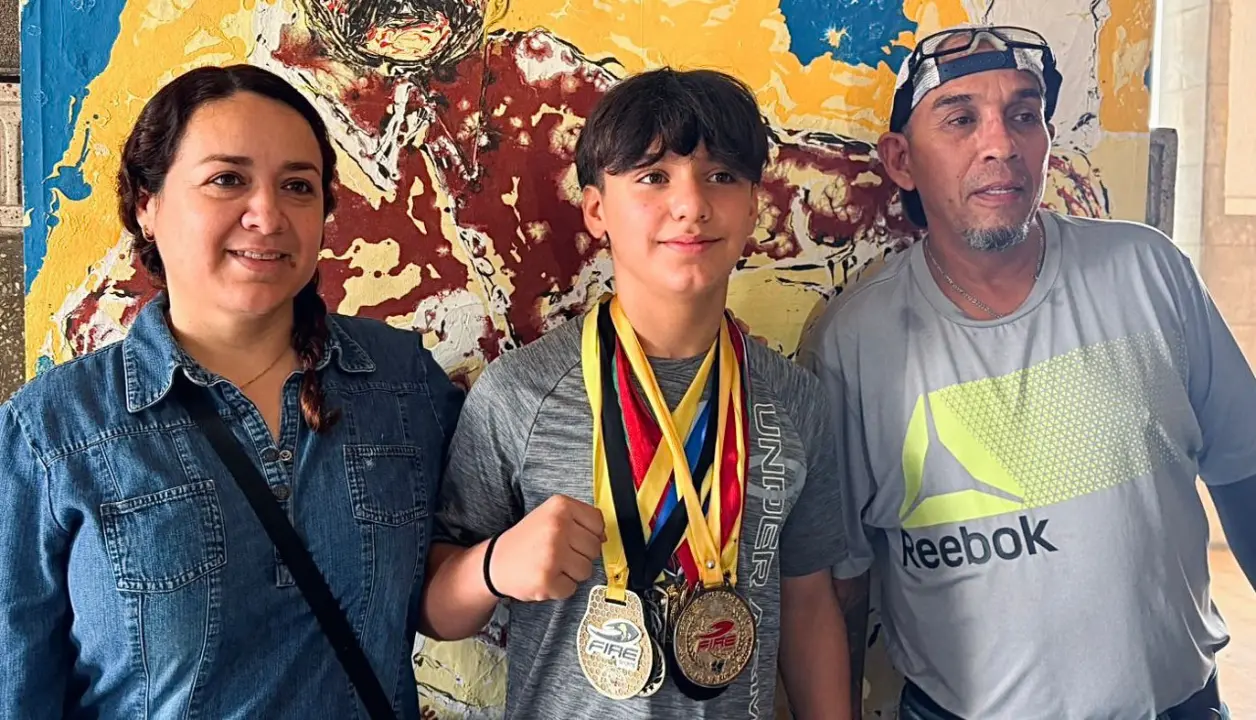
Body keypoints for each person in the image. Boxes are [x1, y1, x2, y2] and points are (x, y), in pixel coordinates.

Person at [799, 25, 1256, 720]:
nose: (1001, 145)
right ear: (900, 160)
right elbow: (843, 584)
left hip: (1181, 706)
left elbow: (1244, 470)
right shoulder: (855, 340)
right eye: (960, 118)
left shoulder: (1148, 273)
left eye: (1023, 114)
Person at [0, 65, 463, 718]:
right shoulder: (51, 431)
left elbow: (464, 560)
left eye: (297, 186)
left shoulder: (400, 380)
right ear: (146, 204)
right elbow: (16, 687)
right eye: (227, 180)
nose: (268, 214)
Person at [419, 67, 851, 719]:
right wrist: (492, 566)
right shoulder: (523, 393)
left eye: (722, 176)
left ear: (755, 205)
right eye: (653, 176)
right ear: (597, 209)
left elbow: (809, 598)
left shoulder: (796, 402)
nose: (692, 205)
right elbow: (434, 609)